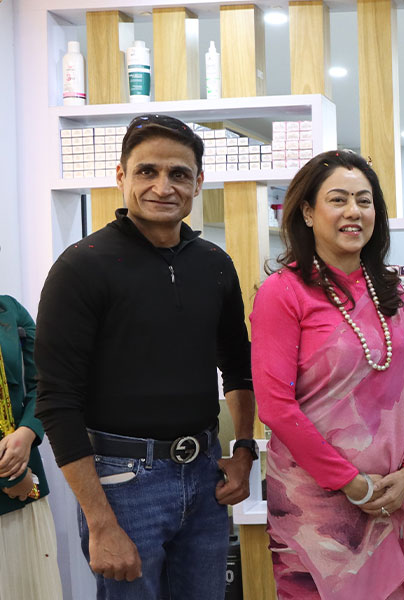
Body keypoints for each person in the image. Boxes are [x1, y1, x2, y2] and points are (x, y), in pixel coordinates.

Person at [35, 113, 257, 599]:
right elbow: (57, 400)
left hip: (205, 476)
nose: (163, 186)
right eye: (147, 171)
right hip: (122, 483)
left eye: (178, 173)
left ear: (198, 182)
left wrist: (244, 449)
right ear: (121, 176)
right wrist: (100, 522)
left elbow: (238, 365)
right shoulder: (82, 266)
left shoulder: (214, 264)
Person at [251, 150, 404, 599]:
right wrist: (352, 483)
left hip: (392, 498)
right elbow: (275, 407)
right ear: (308, 213)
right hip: (316, 513)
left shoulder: (389, 290)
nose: (354, 211)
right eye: (338, 200)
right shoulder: (282, 292)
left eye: (364, 201)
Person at [0, 293, 62, 599]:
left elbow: (46, 381)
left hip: (26, 485)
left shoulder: (8, 309)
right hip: (17, 480)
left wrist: (27, 432)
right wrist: (9, 475)